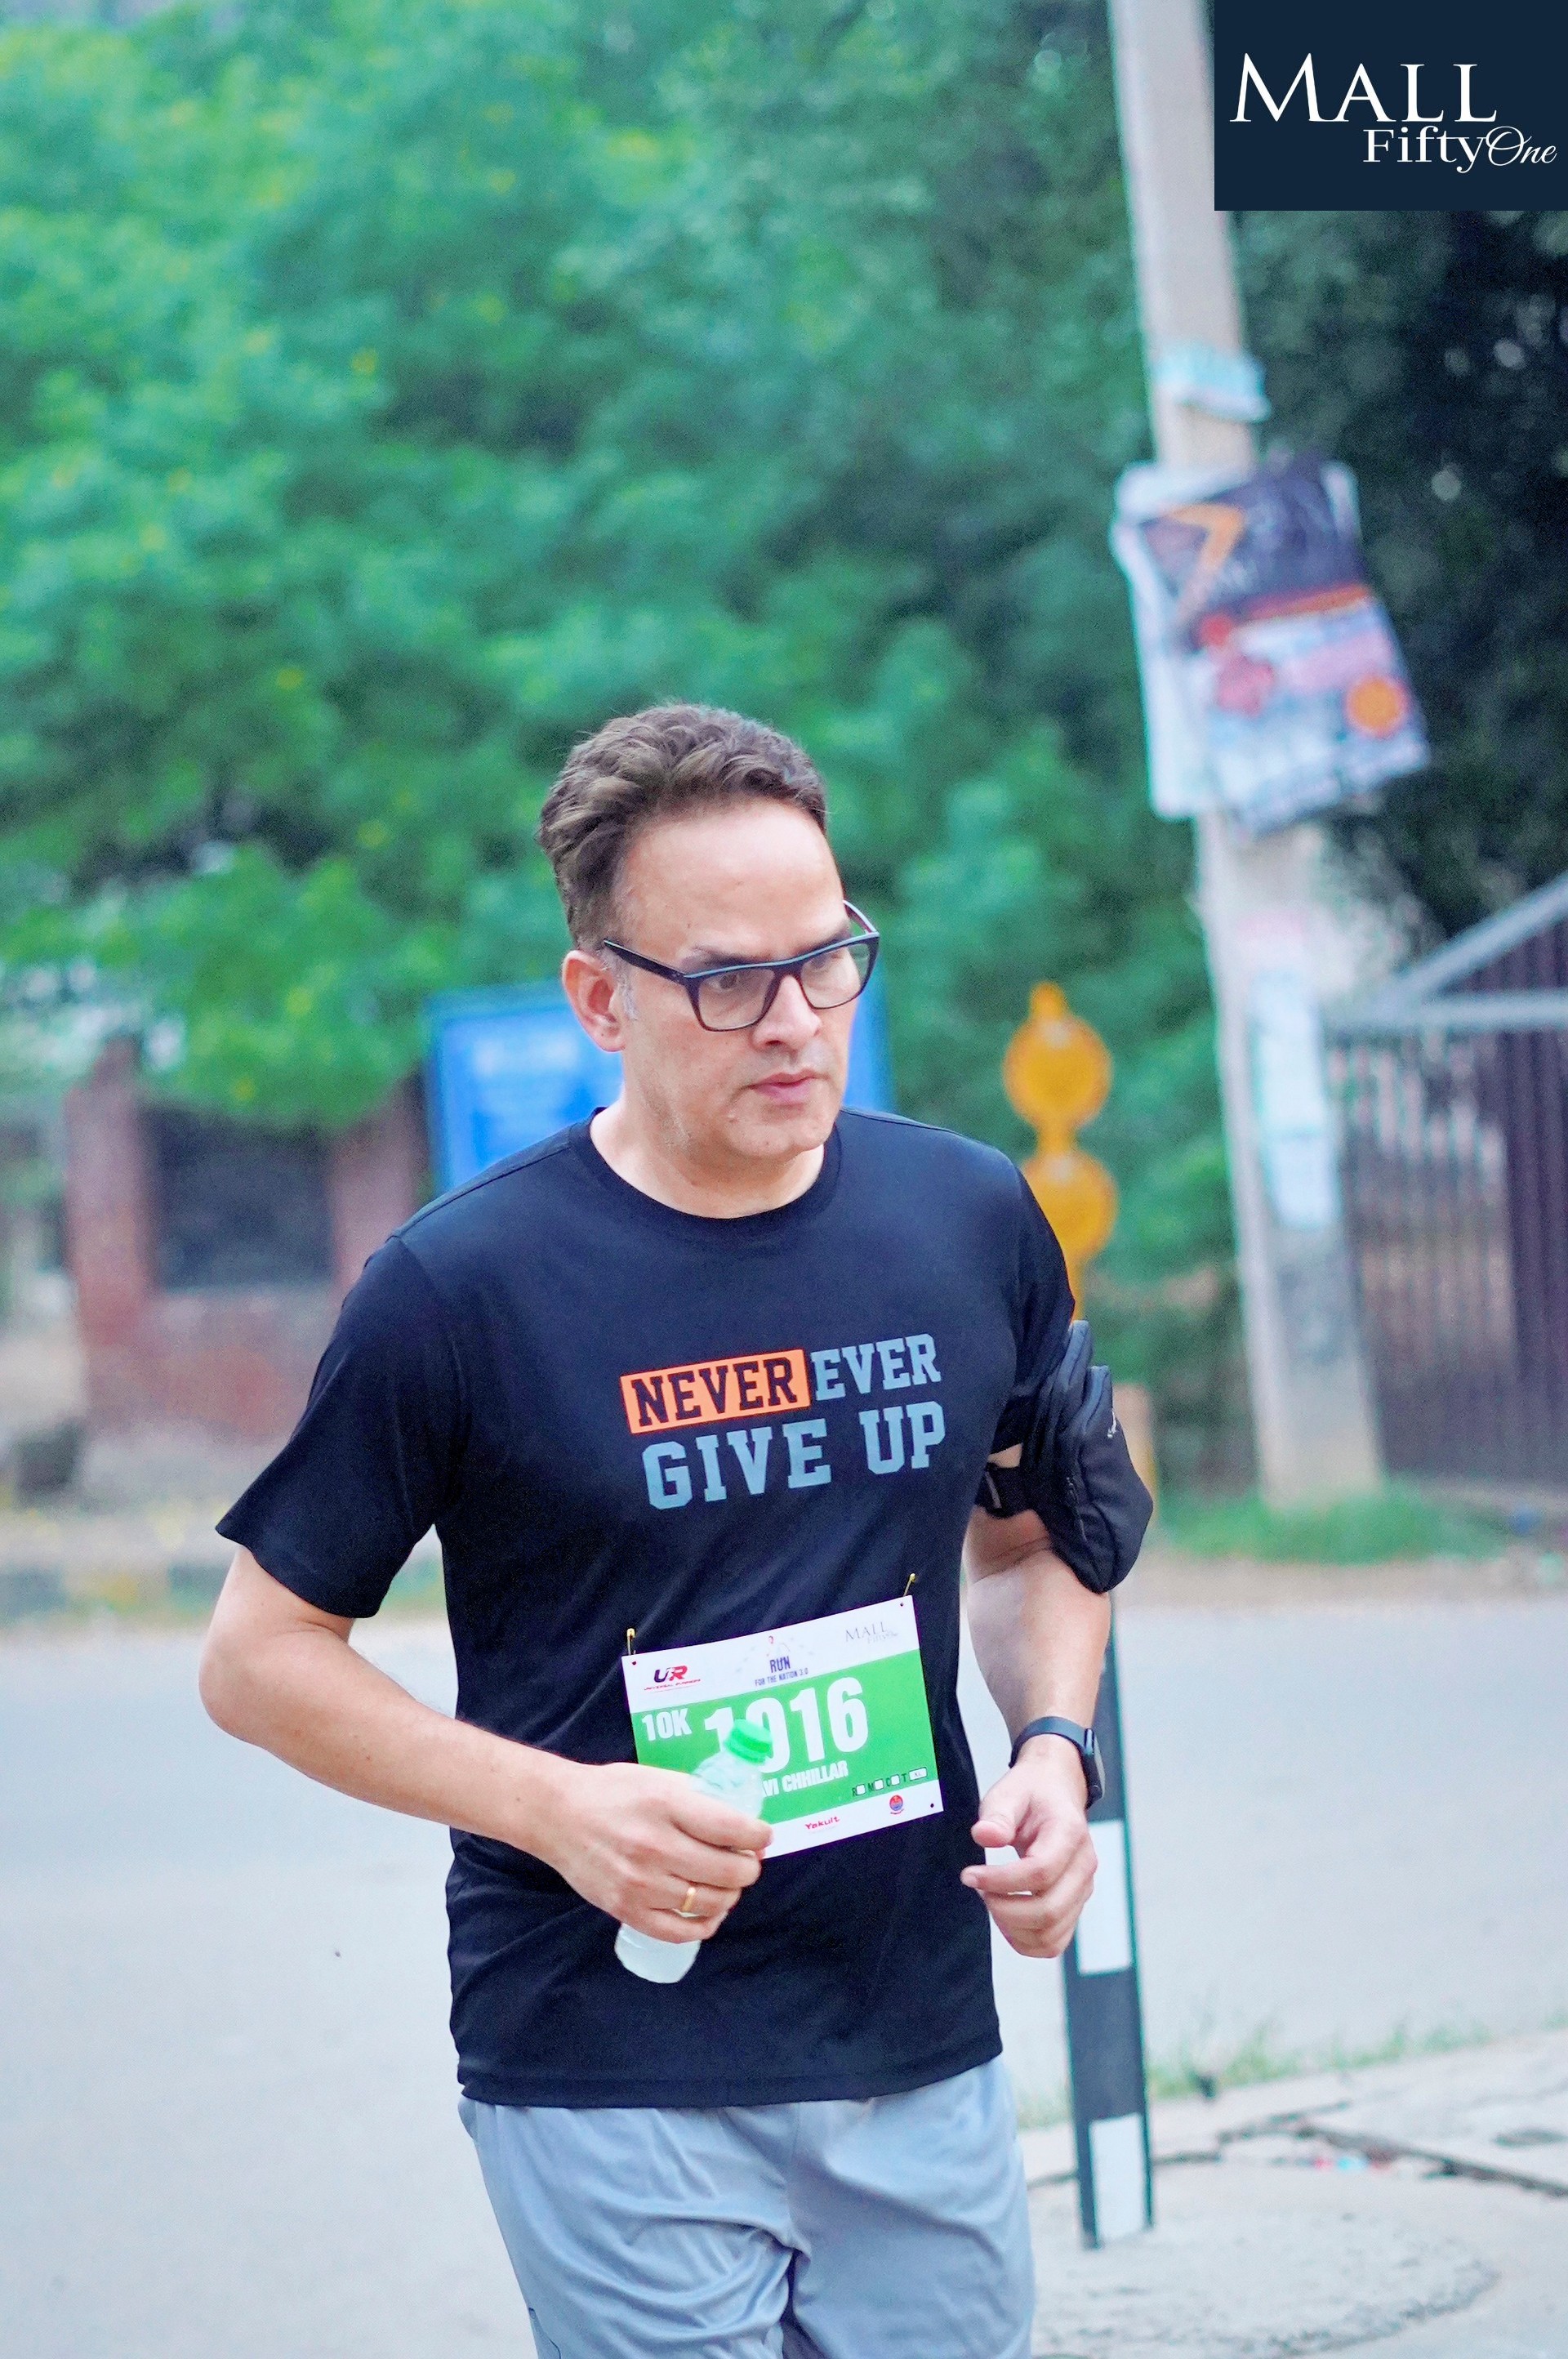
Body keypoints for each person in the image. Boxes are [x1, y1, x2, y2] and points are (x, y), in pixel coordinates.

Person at [199, 702, 1149, 2359]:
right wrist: (559, 1809)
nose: (793, 1022)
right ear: (601, 999)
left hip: (918, 2027)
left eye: (827, 961)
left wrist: (1055, 1752)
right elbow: (260, 1660)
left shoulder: (967, 1220)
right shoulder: (459, 1292)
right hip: (608, 2045)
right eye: (726, 982)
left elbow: (1032, 1537)